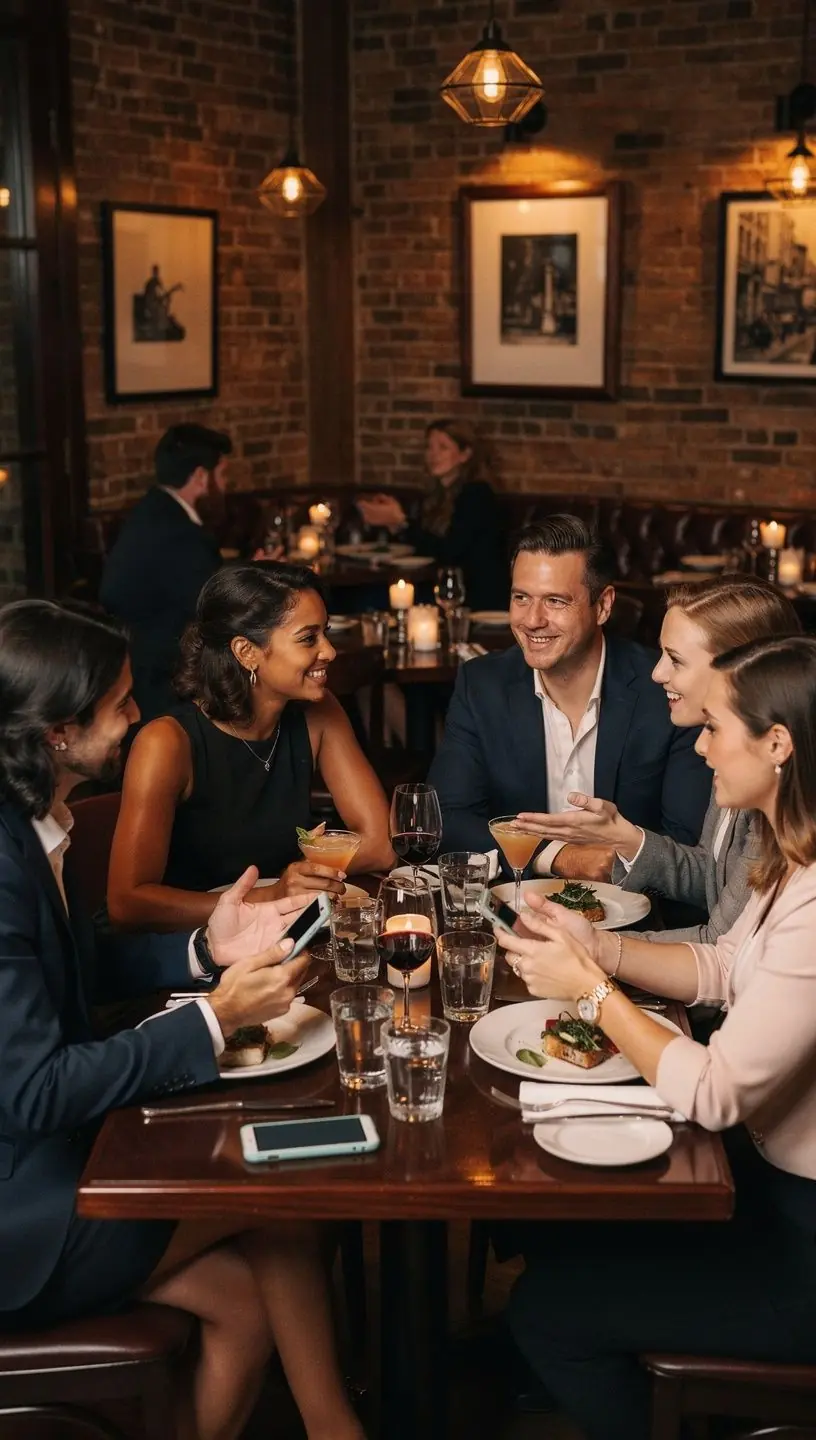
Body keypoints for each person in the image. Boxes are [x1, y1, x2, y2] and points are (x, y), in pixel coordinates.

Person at [0, 599, 366, 1440]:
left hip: (50, 1166)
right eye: (119, 704)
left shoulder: (31, 827)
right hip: (23, 1219)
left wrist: (208, 950)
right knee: (281, 1195)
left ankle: (331, 1426)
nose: (137, 718)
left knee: (244, 1302)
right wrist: (213, 1020)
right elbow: (34, 1091)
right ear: (57, 731)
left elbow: (77, 970)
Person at [497, 632, 816, 1440]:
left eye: (715, 728)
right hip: (772, 1185)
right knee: (566, 1232)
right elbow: (722, 964)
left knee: (545, 1311)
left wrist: (591, 990)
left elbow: (715, 1092)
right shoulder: (794, 857)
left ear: (777, 744)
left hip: (804, 1247)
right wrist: (598, 948)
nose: (700, 747)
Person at [108, 562, 394, 932]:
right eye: (308, 639)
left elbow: (381, 846)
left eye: (325, 632)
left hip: (280, 931)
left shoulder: (320, 713)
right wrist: (272, 894)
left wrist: (299, 878)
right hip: (189, 944)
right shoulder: (166, 743)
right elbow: (127, 903)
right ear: (246, 651)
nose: (329, 651)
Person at [514, 575, 800, 942]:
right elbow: (715, 880)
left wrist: (583, 944)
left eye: (676, 660)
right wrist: (629, 840)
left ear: (740, 668)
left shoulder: (774, 787)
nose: (657, 673)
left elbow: (722, 947)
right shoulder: (731, 754)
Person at [428, 516, 711, 882]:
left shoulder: (666, 689)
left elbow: (688, 841)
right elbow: (447, 819)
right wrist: (557, 856)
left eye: (555, 601)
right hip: (518, 902)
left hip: (638, 906)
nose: (533, 620)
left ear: (603, 605)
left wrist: (617, 862)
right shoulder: (483, 684)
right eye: (521, 598)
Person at [99, 423, 232, 721]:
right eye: (222, 475)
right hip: (162, 689)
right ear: (201, 476)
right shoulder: (180, 533)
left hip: (134, 673)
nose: (225, 486)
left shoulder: (153, 510)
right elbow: (214, 608)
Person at [356, 418, 507, 609]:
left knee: (369, 600)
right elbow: (424, 547)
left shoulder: (476, 494)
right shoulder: (437, 495)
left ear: (465, 454)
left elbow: (449, 552)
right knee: (361, 596)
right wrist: (394, 523)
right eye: (429, 447)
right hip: (438, 585)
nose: (433, 455)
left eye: (443, 448)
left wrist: (401, 522)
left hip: (470, 594)